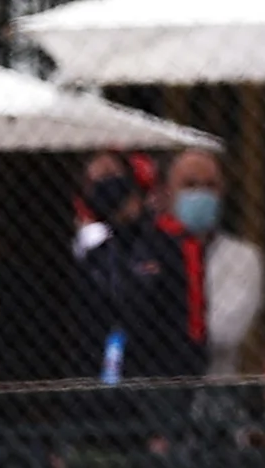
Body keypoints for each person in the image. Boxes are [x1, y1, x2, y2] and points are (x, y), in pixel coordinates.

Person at [73, 151, 199, 382]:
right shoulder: (94, 251)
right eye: (96, 180)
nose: (105, 185)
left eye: (110, 175)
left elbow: (185, 319)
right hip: (99, 374)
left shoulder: (167, 243)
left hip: (159, 371)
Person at [158, 149, 265, 376]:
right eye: (189, 185)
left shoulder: (243, 258)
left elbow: (225, 332)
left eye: (210, 186)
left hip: (214, 384)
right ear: (167, 193)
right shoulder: (150, 251)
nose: (200, 194)